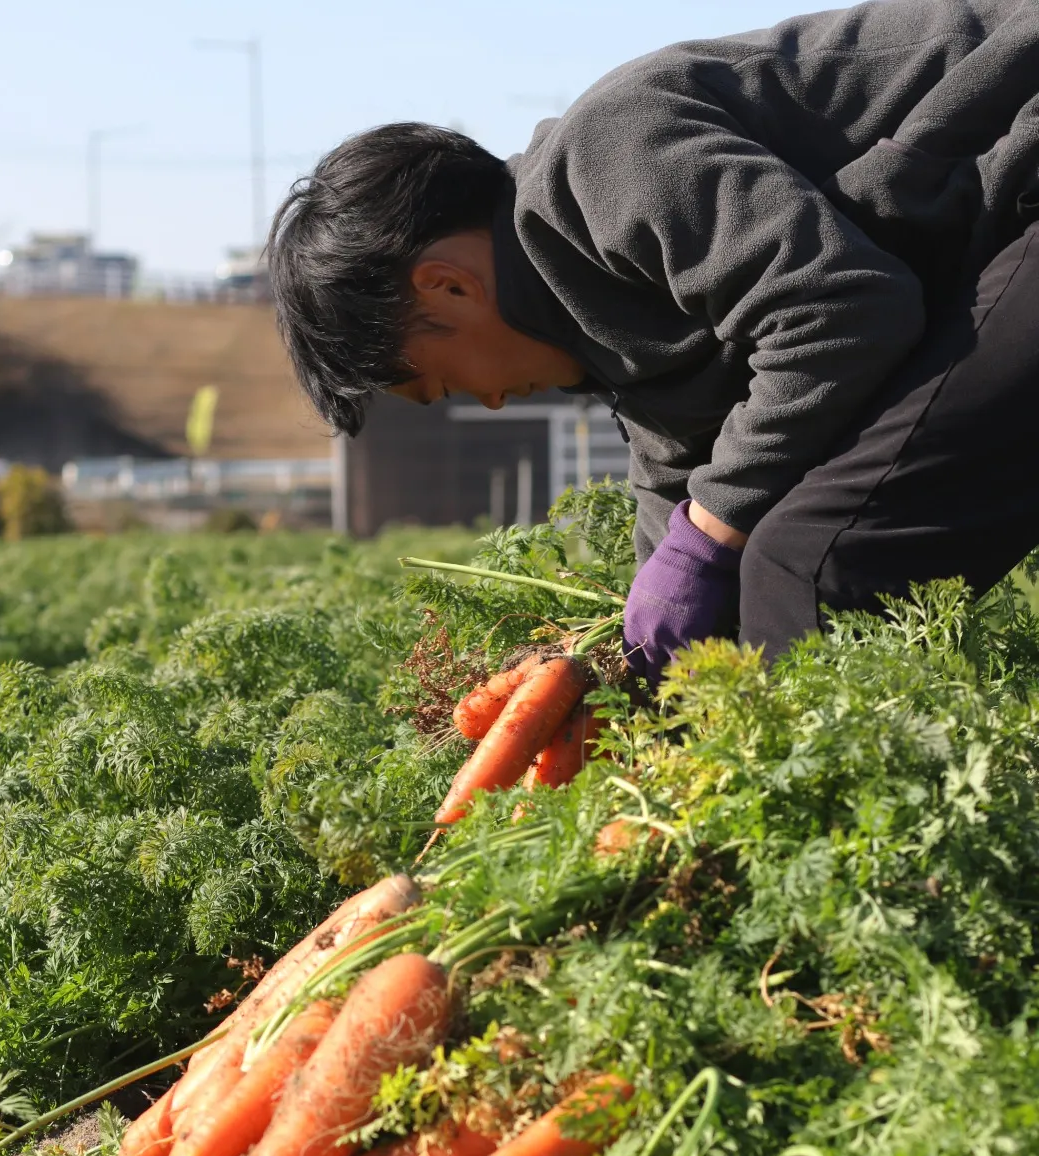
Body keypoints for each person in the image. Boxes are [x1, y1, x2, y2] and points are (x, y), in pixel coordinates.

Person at [268, 0, 1039, 686]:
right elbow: (682, 494)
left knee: (812, 563)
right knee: (766, 562)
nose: (491, 400)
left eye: (441, 383)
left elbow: (845, 308)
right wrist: (631, 671)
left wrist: (707, 537)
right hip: (993, 252)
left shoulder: (603, 162)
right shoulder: (607, 333)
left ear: (447, 287)